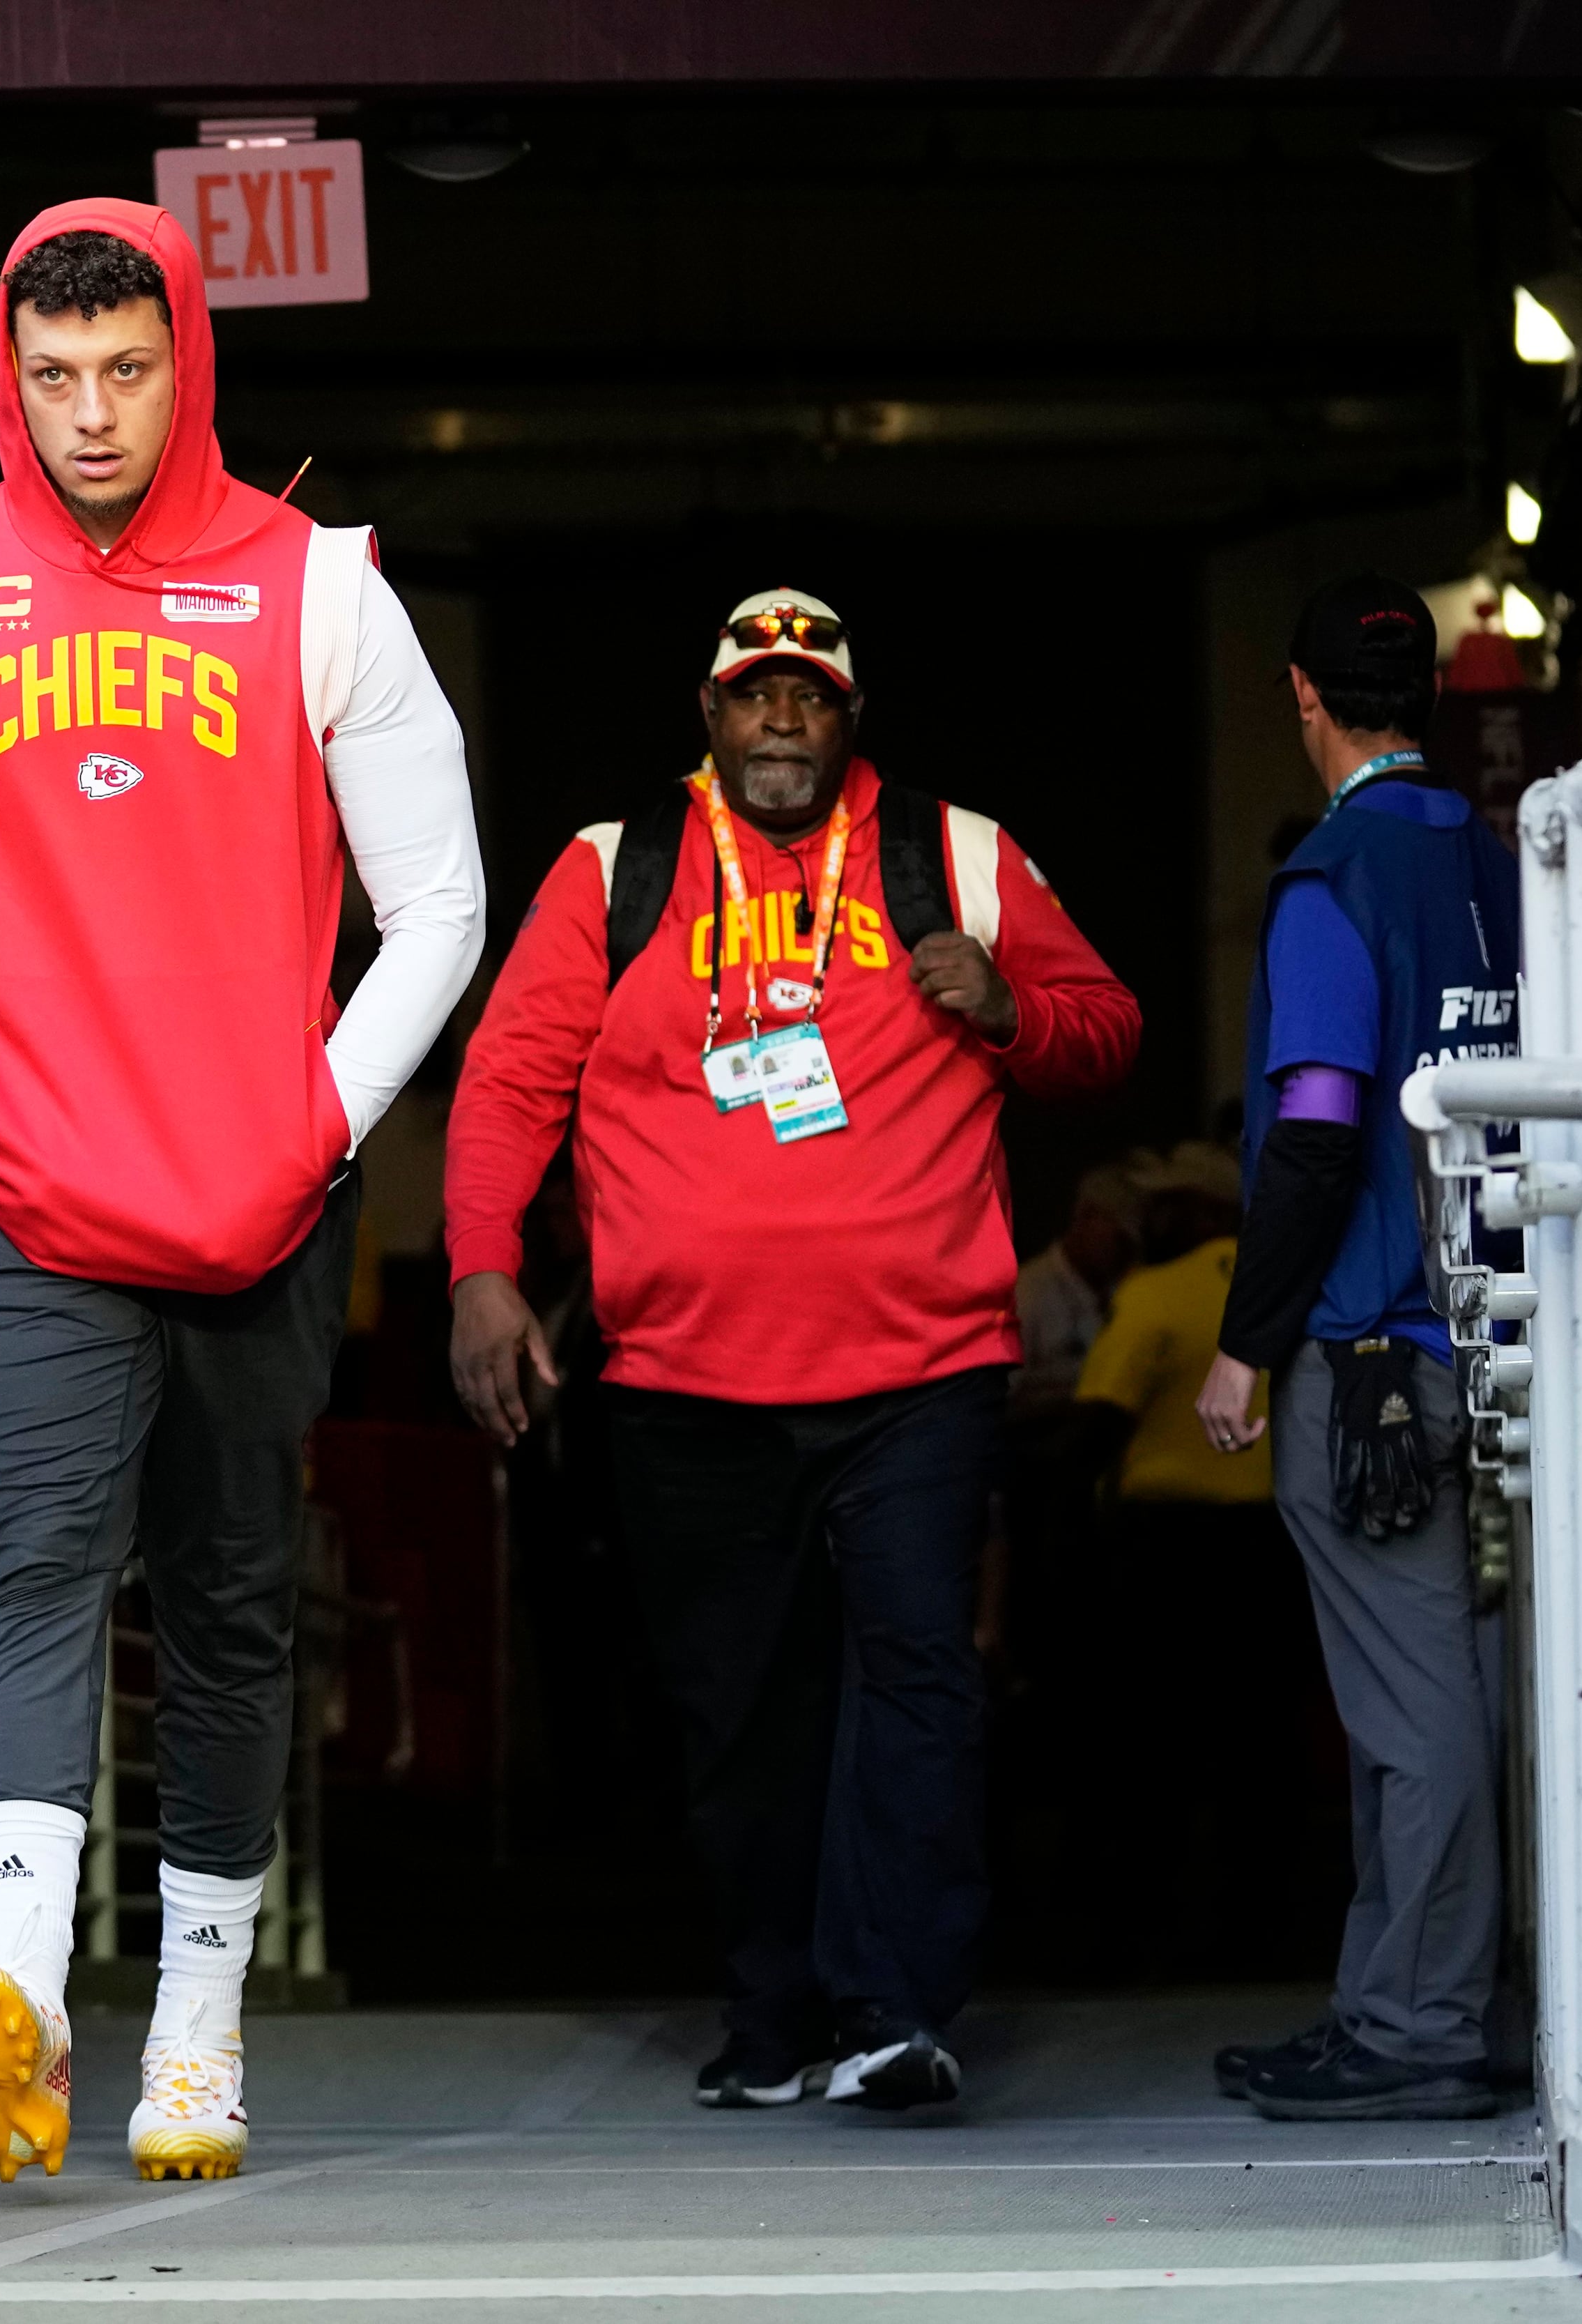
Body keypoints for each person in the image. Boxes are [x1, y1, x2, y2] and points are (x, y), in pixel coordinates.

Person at [0, 201, 483, 2184]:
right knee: (36, 1548)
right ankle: (15, 1993)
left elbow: (436, 900)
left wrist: (320, 1113)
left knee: (224, 1591)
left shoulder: (325, 591)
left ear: (187, 362)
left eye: (125, 371)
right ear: (5, 378)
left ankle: (195, 2028)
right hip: (13, 1176)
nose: (90, 415)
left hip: (256, 1184)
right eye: (51, 378)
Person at [445, 590, 1141, 2111]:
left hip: (920, 1373)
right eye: (753, 694)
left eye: (808, 696)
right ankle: (776, 2013)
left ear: (847, 720)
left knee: (916, 1678)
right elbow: (506, 1083)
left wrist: (1012, 1005)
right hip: (685, 1380)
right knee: (738, 1707)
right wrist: (484, 1272)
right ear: (708, 716)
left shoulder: (953, 852)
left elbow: (1108, 1025)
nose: (779, 718)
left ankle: (894, 2006)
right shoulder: (610, 868)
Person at [1197, 571, 1516, 2123]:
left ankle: (1420, 2022)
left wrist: (1245, 1346)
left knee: (1412, 1708)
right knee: (1472, 1682)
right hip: (1517, 1337)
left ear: (1305, 698)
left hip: (1377, 1354)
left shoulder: (1331, 879)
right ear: (1429, 699)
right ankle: (1395, 1998)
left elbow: (1316, 1134)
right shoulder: (1507, 866)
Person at [1070, 1141, 1320, 1959]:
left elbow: (1096, 1419)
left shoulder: (1152, 1292)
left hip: (1166, 1552)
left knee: (1151, 1740)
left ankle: (1144, 1930)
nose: (1152, 1218)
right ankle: (1269, 1927)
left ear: (1208, 1211)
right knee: (1266, 1741)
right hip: (1275, 1547)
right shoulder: (1290, 1288)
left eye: (1170, 1203)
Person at [1011, 1162, 1139, 1424]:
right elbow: (999, 1403)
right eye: (1120, 1238)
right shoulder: (1027, 1293)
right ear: (1085, 1216)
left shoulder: (1130, 1291)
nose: (1127, 1252)